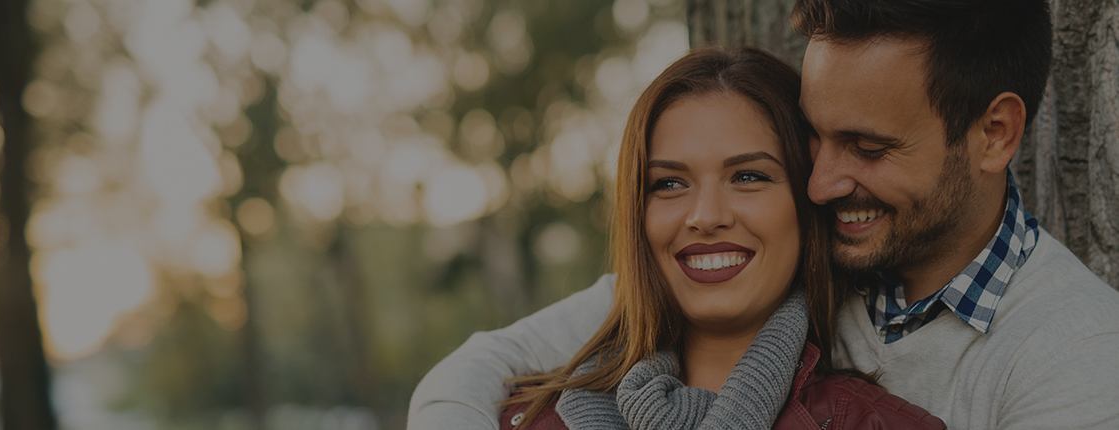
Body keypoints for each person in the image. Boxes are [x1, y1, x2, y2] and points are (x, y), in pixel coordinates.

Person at [408, 1, 1119, 429]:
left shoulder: (1076, 359)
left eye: (867, 147)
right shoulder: (801, 254)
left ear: (994, 133)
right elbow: (484, 365)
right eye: (816, 137)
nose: (824, 181)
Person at [487, 46, 943, 429]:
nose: (705, 217)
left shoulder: (875, 424)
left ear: (807, 206)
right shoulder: (521, 416)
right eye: (668, 183)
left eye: (747, 176)